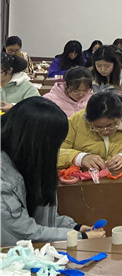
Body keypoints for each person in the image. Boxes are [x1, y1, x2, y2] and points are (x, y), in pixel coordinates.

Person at [1, 97, 105, 246]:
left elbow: (44, 218)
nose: (56, 151)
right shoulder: (4, 179)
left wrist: (75, 228)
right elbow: (23, 230)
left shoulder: (28, 161)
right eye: (55, 144)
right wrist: (80, 237)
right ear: (37, 142)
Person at [58, 91, 122, 190]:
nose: (105, 131)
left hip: (121, 187)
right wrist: (79, 158)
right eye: (97, 127)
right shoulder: (76, 122)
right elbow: (54, 153)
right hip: (81, 187)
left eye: (111, 125)